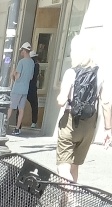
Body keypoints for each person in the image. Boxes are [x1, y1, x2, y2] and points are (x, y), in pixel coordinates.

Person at [55, 34, 112, 183]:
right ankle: (66, 204)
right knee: (75, 166)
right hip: (89, 125)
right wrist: (108, 129)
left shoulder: (71, 73)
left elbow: (61, 101)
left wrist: (61, 95)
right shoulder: (100, 74)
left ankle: (72, 200)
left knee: (63, 167)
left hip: (70, 121)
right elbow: (106, 103)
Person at [8, 43, 34, 135]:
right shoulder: (32, 62)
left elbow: (17, 77)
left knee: (10, 107)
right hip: (25, 89)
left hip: (17, 88)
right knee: (21, 109)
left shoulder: (21, 62)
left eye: (21, 51)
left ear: (23, 50)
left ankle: (3, 125)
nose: (21, 52)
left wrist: (13, 74)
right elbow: (31, 77)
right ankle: (17, 128)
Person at [27, 50, 40, 129]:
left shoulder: (31, 65)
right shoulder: (36, 65)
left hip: (27, 86)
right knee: (34, 105)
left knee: (20, 105)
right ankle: (34, 122)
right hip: (32, 87)